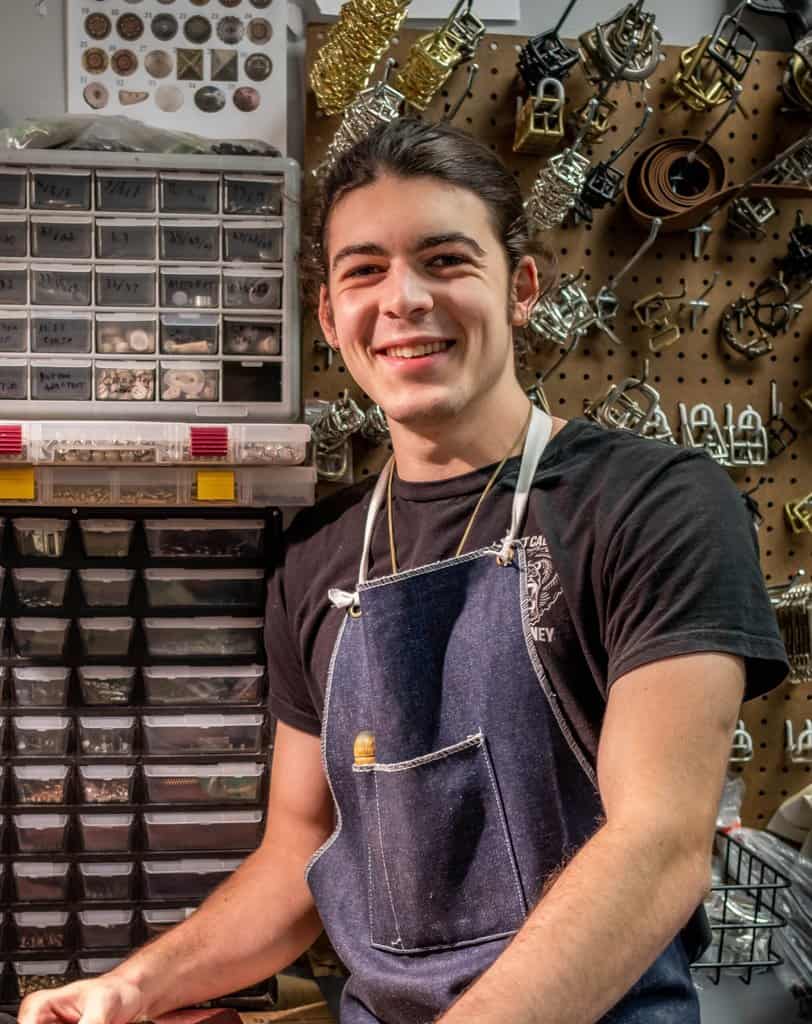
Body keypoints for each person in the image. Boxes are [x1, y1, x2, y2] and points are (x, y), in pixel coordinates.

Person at [20, 118, 788, 1024]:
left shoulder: (653, 502)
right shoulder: (320, 553)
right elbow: (298, 853)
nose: (403, 299)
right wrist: (133, 986)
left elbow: (659, 842)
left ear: (522, 288)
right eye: (364, 271)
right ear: (328, 314)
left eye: (446, 259)